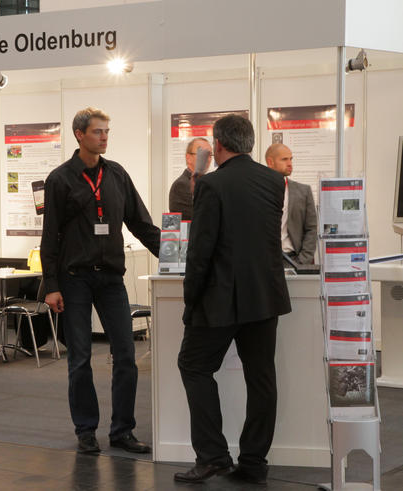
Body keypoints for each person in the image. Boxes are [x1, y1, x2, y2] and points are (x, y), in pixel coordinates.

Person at [174, 115, 291, 485]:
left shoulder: (211, 185)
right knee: (261, 378)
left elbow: (201, 251)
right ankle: (254, 461)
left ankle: (212, 456)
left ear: (218, 145)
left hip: (219, 299)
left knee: (193, 366)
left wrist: (190, 301)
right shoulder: (275, 181)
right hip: (265, 297)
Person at [41, 107, 161, 455]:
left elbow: (141, 224)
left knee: (125, 354)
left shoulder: (117, 175)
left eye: (107, 132)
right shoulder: (60, 179)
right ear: (79, 134)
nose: (104, 137)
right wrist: (51, 285)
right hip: (74, 278)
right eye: (98, 132)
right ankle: (86, 429)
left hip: (111, 279)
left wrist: (173, 256)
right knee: (79, 358)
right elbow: (50, 237)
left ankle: (122, 430)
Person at [265, 143, 318, 264]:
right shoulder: (257, 191)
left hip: (294, 260)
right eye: (284, 159)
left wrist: (303, 260)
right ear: (270, 162)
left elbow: (311, 228)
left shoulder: (303, 191)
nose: (290, 164)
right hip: (265, 261)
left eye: (291, 159)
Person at [168, 137, 212, 220]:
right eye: (202, 154)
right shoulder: (181, 185)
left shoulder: (205, 183)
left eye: (209, 155)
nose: (208, 159)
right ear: (188, 158)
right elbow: (200, 216)